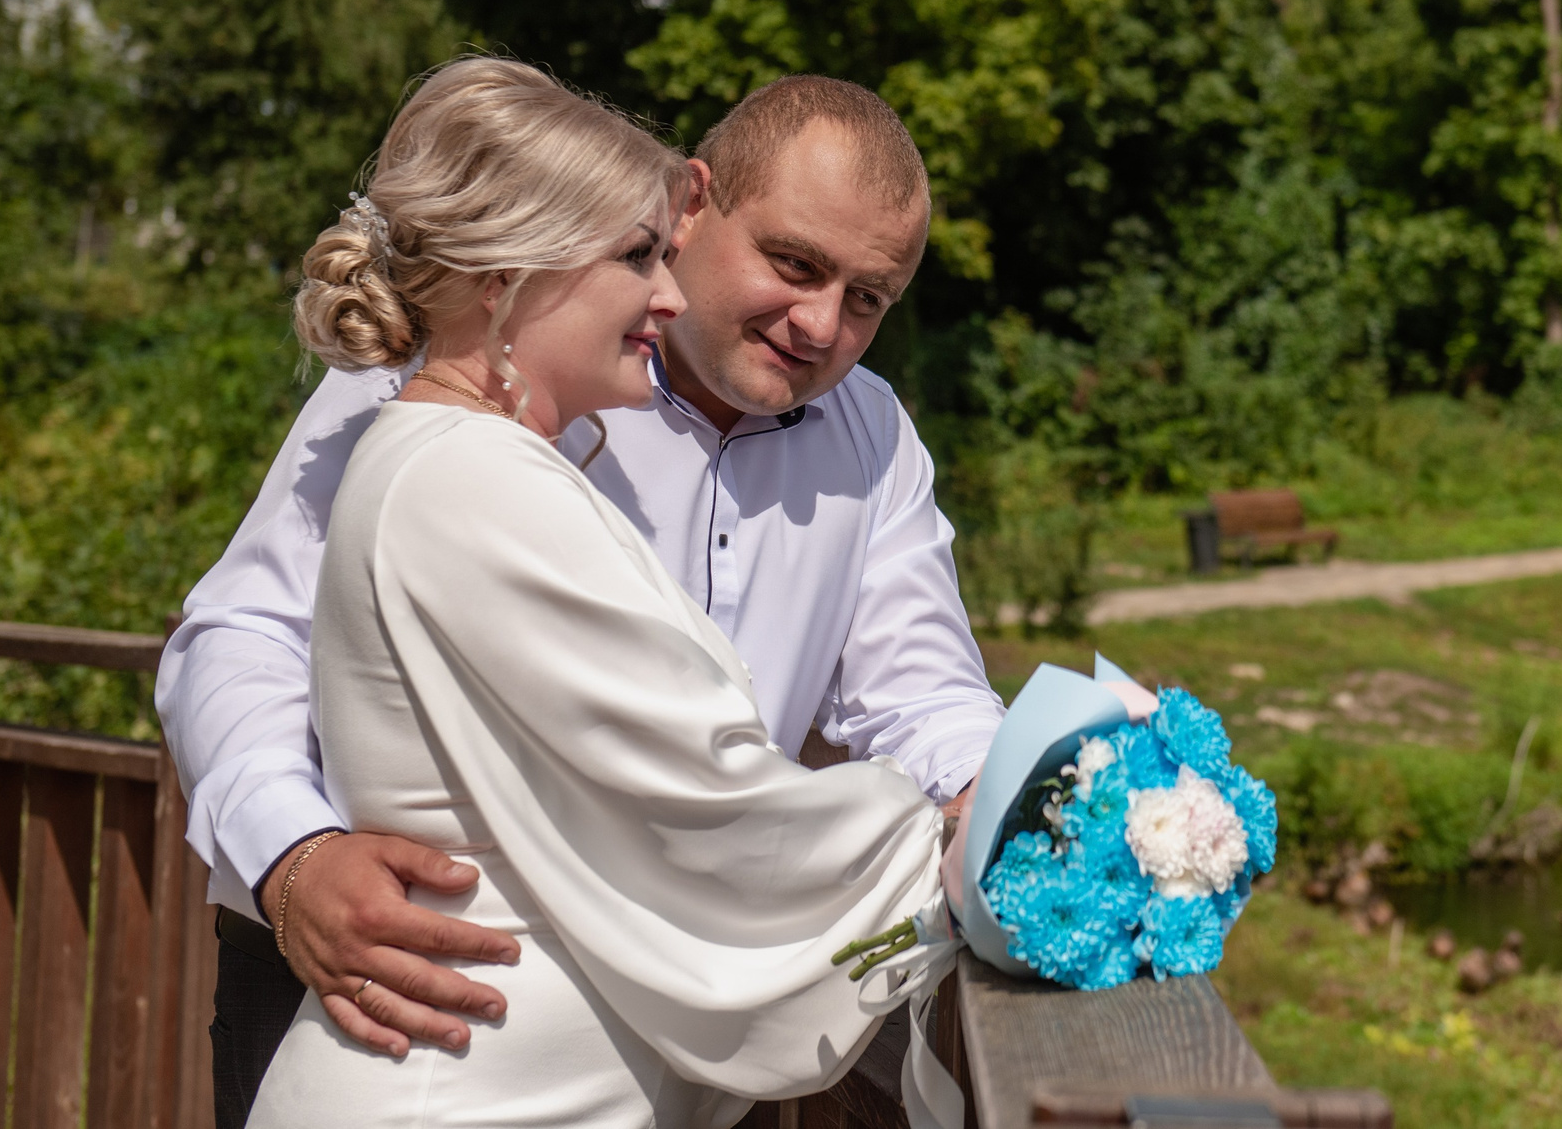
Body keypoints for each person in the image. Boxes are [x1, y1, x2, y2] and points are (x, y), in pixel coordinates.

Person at [158, 65, 1001, 1126]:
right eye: (794, 263)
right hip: (388, 976)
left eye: (867, 299)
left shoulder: (871, 435)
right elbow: (245, 631)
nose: (820, 322)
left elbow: (923, 691)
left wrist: (1017, 805)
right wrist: (293, 856)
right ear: (693, 202)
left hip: (665, 1029)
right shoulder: (443, 362)